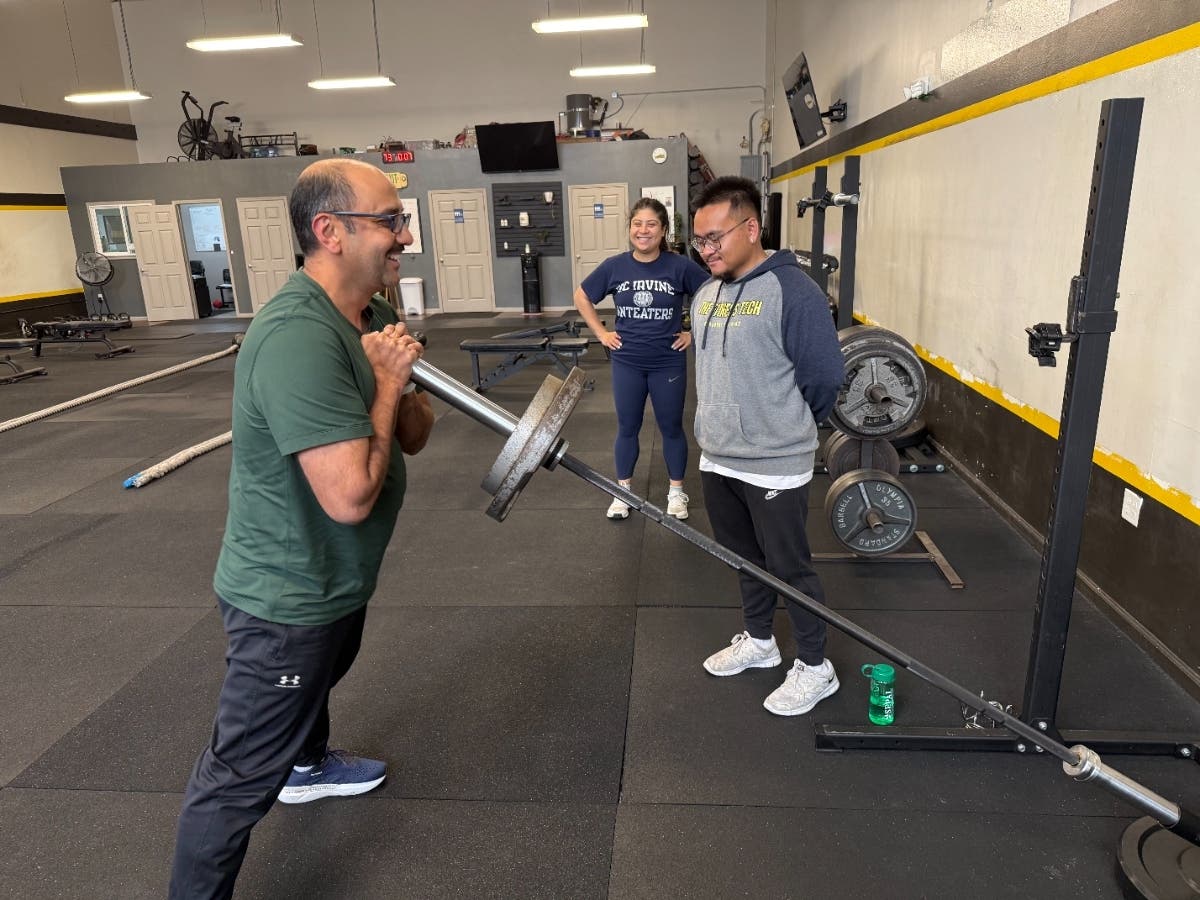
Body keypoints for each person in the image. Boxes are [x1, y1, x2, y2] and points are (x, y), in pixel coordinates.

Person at [169, 158, 435, 898]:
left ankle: (309, 764)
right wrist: (384, 384)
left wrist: (400, 383)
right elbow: (349, 496)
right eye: (390, 221)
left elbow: (413, 436)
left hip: (338, 575)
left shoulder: (374, 314)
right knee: (237, 774)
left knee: (322, 678)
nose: (404, 236)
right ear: (331, 231)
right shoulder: (295, 338)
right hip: (285, 595)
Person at [689, 176, 845, 716]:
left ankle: (816, 666)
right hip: (717, 454)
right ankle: (759, 642)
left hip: (776, 462)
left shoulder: (792, 290)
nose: (707, 250)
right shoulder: (707, 293)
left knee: (789, 567)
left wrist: (790, 429)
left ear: (751, 228)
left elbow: (824, 376)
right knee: (744, 558)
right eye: (699, 242)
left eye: (716, 238)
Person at [573, 197, 711, 520]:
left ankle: (676, 493)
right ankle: (622, 493)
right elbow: (581, 295)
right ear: (630, 228)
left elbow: (713, 293)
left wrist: (693, 333)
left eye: (651, 224)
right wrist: (601, 334)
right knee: (627, 427)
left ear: (663, 230)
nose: (643, 230)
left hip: (668, 362)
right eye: (637, 224)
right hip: (627, 362)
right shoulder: (615, 266)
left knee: (672, 428)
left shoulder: (679, 266)